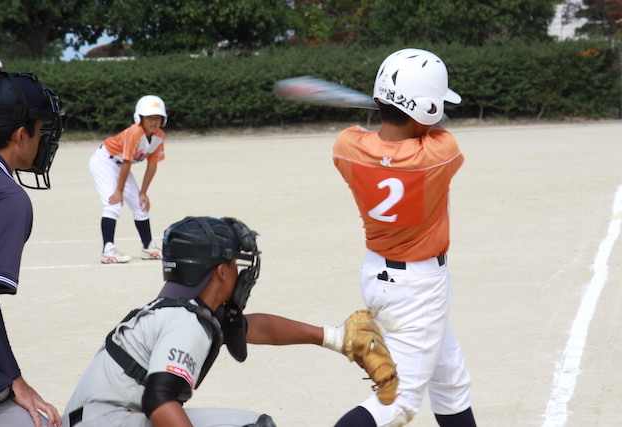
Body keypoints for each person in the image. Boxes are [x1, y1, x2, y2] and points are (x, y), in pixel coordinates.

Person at [63, 216, 383, 426]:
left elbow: (255, 328)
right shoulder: (185, 323)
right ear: (221, 271)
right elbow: (159, 401)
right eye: (234, 262)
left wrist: (334, 337)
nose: (240, 271)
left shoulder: (183, 310)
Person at [331, 48, 477, 426]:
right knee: (400, 401)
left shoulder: (347, 147)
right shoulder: (440, 153)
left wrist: (392, 104)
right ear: (426, 110)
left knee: (450, 379)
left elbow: (373, 136)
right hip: (419, 287)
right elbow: (438, 127)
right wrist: (405, 106)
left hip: (378, 278)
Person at [0, 72, 65, 426]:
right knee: (32, 419)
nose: (45, 138)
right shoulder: (6, 195)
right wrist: (14, 378)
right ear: (19, 134)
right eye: (41, 128)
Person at [89, 95, 167, 264]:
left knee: (141, 204)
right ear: (140, 118)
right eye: (150, 117)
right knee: (114, 203)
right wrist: (119, 190)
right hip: (104, 161)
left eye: (158, 117)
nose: (154, 121)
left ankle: (148, 248)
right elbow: (127, 162)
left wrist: (143, 192)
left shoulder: (159, 136)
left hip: (120, 165)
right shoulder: (135, 132)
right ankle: (108, 251)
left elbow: (152, 166)